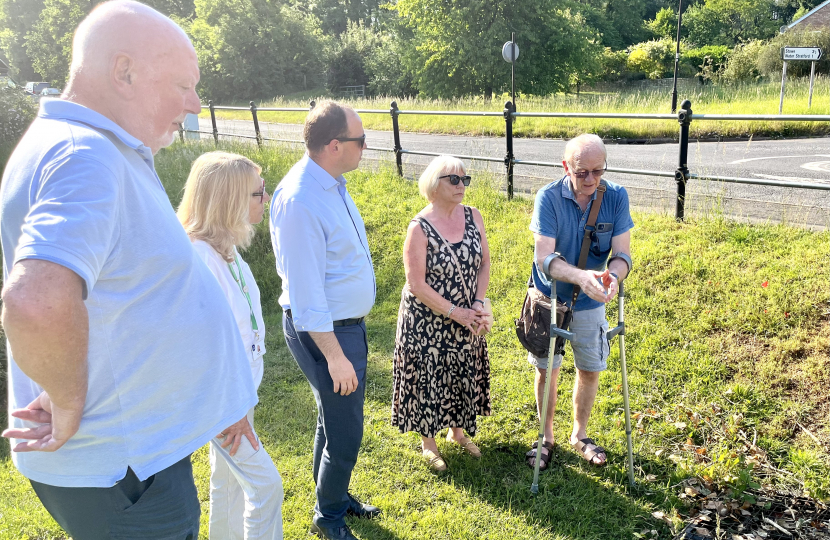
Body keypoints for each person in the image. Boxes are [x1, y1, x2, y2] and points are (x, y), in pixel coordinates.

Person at [0, 3, 257, 538]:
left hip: (131, 459)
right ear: (124, 72)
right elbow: (35, 301)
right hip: (125, 471)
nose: (194, 105)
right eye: (184, 86)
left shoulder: (84, 148)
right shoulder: (84, 156)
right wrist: (68, 399)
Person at [269, 101, 380, 540]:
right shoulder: (300, 199)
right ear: (335, 145)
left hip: (343, 325)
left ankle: (333, 496)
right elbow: (306, 294)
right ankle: (328, 516)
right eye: (361, 140)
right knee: (346, 431)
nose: (366, 146)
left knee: (330, 421)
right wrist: (334, 356)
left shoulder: (331, 184)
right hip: (327, 331)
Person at [177, 152, 283, 540]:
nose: (266, 199)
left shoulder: (227, 249)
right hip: (221, 401)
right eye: (258, 193)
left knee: (229, 484)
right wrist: (231, 408)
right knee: (266, 486)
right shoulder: (197, 260)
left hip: (240, 392)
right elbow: (196, 350)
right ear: (230, 202)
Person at [525, 134, 633, 471]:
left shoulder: (616, 196)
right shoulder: (548, 197)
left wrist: (612, 277)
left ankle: (579, 435)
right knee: (547, 370)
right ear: (565, 167)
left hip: (591, 301)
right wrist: (581, 276)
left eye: (597, 172)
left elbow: (623, 255)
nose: (589, 180)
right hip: (550, 298)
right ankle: (546, 437)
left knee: (589, 369)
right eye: (581, 172)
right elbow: (545, 258)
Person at [391, 156, 492, 472]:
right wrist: (454, 312)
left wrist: (477, 303)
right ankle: (428, 443)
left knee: (460, 370)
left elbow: (484, 263)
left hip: (466, 314)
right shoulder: (419, 228)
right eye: (454, 180)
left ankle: (457, 432)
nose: (461, 186)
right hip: (427, 320)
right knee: (430, 376)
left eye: (465, 180)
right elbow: (416, 284)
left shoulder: (474, 216)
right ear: (434, 184)